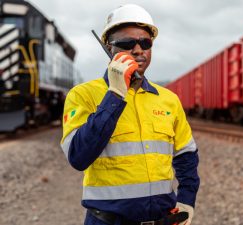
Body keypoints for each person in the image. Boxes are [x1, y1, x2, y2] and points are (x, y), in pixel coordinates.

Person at [61, 4, 200, 225]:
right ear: (108, 48)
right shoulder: (82, 95)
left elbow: (186, 156)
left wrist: (186, 200)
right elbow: (78, 156)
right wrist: (115, 95)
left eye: (145, 43)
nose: (138, 50)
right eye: (127, 44)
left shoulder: (168, 99)